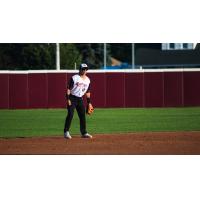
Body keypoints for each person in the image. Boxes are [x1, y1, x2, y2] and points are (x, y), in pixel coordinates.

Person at [64, 63, 93, 139]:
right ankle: (66, 132)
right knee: (70, 114)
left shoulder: (88, 80)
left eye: (86, 69)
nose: (84, 70)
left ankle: (84, 132)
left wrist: (89, 102)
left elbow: (88, 92)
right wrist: (68, 99)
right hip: (72, 98)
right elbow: (68, 90)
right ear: (80, 70)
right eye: (83, 69)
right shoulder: (74, 78)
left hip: (80, 99)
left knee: (82, 115)